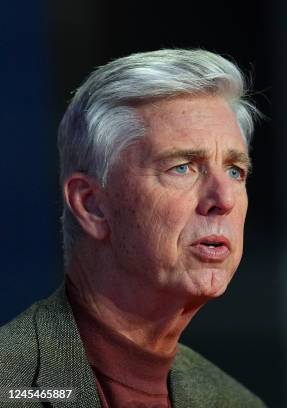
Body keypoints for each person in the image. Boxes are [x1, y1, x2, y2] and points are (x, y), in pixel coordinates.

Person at [0, 49, 266, 407]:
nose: (224, 199)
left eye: (235, 171)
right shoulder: (10, 383)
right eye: (183, 167)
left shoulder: (236, 402)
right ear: (92, 205)